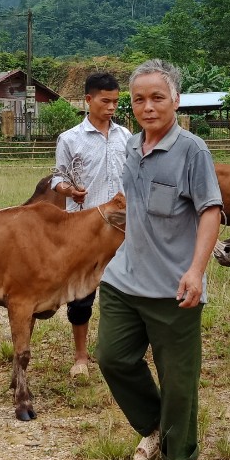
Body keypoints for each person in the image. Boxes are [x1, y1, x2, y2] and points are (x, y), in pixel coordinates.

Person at [95, 59, 223, 460]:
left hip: (173, 288)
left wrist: (196, 271)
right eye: (138, 99)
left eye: (157, 98)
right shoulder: (132, 146)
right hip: (123, 279)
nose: (147, 107)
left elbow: (210, 210)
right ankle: (153, 424)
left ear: (176, 100)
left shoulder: (192, 150)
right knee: (112, 358)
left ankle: (178, 457)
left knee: (179, 382)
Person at [49, 72, 131, 377]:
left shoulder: (126, 137)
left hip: (122, 227)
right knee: (82, 294)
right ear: (88, 100)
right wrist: (68, 190)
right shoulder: (70, 138)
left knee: (124, 289)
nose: (111, 107)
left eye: (115, 102)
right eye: (105, 101)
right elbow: (58, 177)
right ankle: (81, 356)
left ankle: (121, 351)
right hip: (84, 226)